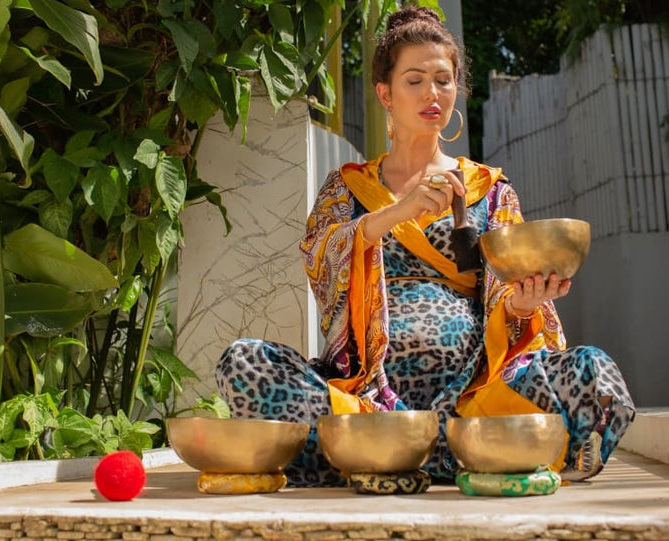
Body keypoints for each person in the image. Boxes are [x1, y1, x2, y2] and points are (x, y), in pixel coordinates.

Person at [215, 6, 634, 487]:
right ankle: (469, 455)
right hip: (366, 399)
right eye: (414, 80)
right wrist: (395, 212)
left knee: (592, 371)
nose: (432, 93)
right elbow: (321, 262)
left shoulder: (489, 190)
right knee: (244, 362)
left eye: (443, 79)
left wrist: (523, 302)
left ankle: (385, 457)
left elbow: (505, 294)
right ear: (384, 93)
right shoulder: (347, 188)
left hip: (477, 396)